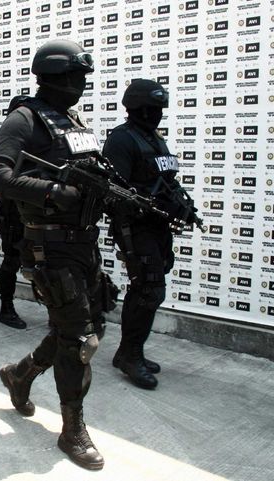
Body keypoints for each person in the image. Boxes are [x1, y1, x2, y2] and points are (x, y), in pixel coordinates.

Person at [0, 40, 105, 470]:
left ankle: (21, 374)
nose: (83, 84)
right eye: (77, 76)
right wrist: (54, 191)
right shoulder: (25, 118)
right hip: (50, 247)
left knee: (88, 328)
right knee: (80, 340)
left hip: (83, 244)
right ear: (57, 76)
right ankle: (73, 430)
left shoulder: (72, 120)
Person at [103, 79, 198, 390]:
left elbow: (166, 179)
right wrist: (150, 204)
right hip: (135, 227)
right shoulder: (122, 139)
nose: (158, 114)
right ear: (140, 108)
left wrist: (181, 203)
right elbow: (113, 193)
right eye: (154, 109)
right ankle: (131, 356)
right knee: (149, 290)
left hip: (157, 226)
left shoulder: (154, 138)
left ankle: (128, 352)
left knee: (148, 287)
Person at [0, 95, 31, 329]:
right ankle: (6, 308)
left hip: (37, 209)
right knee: (12, 260)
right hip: (13, 210)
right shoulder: (8, 140)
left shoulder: (40, 139)